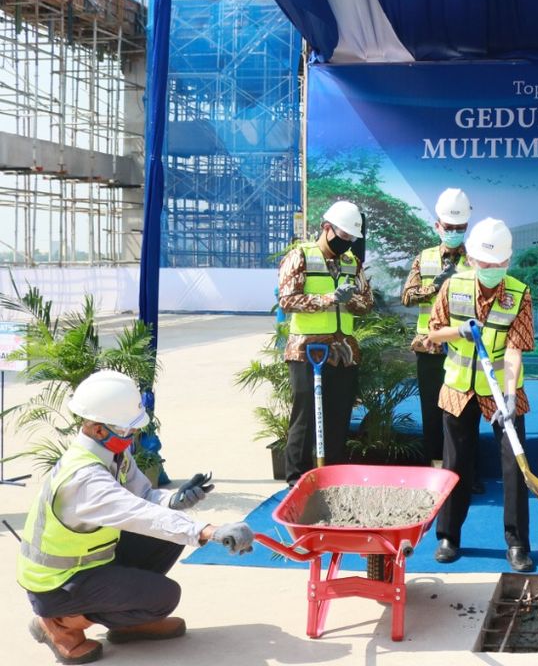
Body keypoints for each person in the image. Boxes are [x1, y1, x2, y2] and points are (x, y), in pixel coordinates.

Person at [16, 371, 254, 665]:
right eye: (127, 430)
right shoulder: (84, 479)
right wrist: (209, 531)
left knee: (168, 533)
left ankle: (126, 621)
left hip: (85, 566)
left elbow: (143, 496)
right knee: (164, 596)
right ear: (98, 429)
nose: (132, 435)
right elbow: (140, 514)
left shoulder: (112, 454)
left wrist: (173, 499)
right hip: (57, 585)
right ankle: (58, 623)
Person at [426, 218, 537, 573]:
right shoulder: (453, 286)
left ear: (508, 261)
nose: (492, 271)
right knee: (455, 464)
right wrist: (458, 330)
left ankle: (518, 543)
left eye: (499, 265)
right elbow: (434, 333)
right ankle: (449, 537)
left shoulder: (519, 292)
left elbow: (517, 349)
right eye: (485, 265)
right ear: (472, 259)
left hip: (502, 392)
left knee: (515, 467)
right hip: (459, 388)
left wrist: (508, 395)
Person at [277, 200, 373, 485]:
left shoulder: (352, 263)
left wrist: (351, 299)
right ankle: (297, 477)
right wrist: (329, 299)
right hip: (307, 350)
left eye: (352, 239)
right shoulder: (300, 256)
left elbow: (367, 302)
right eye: (343, 237)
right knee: (305, 415)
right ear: (326, 228)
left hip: (344, 353)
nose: (348, 243)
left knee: (339, 415)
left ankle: (333, 473)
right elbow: (287, 300)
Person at [401, 188, 478, 484]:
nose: (454, 233)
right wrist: (435, 286)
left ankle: (466, 473)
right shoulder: (425, 258)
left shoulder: (474, 261)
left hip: (463, 351)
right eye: (449, 227)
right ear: (437, 226)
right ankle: (435, 472)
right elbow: (406, 296)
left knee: (465, 413)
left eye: (460, 228)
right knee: (433, 414)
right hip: (430, 347)